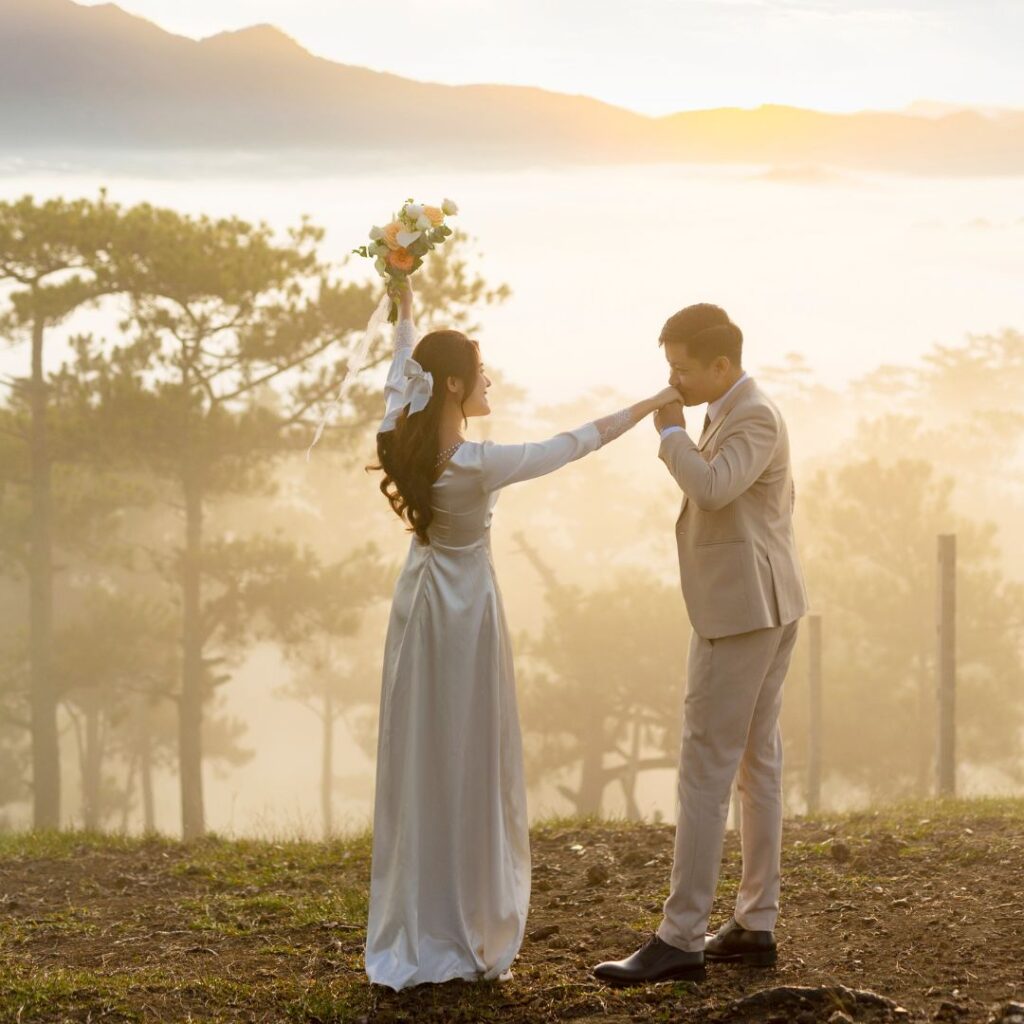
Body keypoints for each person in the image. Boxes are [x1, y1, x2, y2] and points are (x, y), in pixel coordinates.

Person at [364, 281, 682, 990]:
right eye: (479, 372)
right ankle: (464, 919)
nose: (489, 381)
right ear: (452, 384)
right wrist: (651, 405)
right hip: (466, 609)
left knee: (424, 752)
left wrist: (404, 303)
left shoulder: (398, 438)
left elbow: (398, 372)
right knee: (466, 752)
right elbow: (572, 445)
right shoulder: (477, 465)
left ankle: (421, 916)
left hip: (418, 603)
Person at [593, 302, 808, 986]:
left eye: (682, 368)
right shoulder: (733, 405)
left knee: (705, 770)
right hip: (765, 604)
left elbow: (714, 489)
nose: (673, 380)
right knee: (755, 763)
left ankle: (680, 937)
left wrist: (669, 435)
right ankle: (754, 924)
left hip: (741, 614)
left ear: (722, 364)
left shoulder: (754, 414)